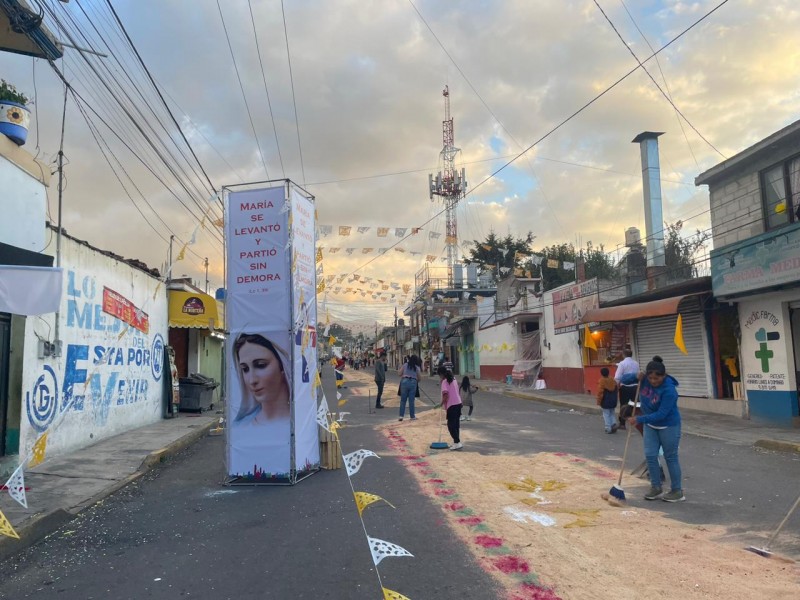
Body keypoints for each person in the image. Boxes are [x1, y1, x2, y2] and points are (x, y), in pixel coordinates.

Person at [230, 333, 292, 477]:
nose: (252, 380)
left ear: (282, 366)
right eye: (245, 369)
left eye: (260, 365)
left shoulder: (301, 423)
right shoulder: (240, 426)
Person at [627, 356, 684, 503]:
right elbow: (623, 380)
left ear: (664, 376)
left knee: (670, 457)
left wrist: (639, 419)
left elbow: (661, 414)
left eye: (657, 379)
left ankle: (677, 491)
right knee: (651, 456)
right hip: (650, 426)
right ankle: (655, 487)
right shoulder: (644, 379)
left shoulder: (669, 391)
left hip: (668, 425)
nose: (653, 381)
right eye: (650, 378)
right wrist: (636, 375)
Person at [614, 347, 639, 430]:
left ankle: (622, 423)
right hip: (635, 387)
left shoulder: (622, 364)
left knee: (624, 405)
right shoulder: (636, 363)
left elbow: (617, 377)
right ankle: (637, 422)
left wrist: (616, 386)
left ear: (624, 355)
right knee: (635, 404)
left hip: (625, 387)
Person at [438, 366, 463, 450]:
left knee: (450, 425)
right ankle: (457, 442)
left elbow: (445, 395)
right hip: (458, 403)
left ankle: (457, 442)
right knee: (456, 424)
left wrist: (440, 404)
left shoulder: (444, 382)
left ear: (441, 374)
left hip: (452, 405)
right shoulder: (454, 379)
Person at [398, 354, 421, 421]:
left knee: (403, 400)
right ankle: (412, 416)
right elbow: (419, 378)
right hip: (413, 382)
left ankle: (401, 416)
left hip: (404, 381)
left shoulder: (405, 365)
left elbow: (399, 373)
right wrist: (416, 381)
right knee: (411, 400)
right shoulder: (417, 367)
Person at [596, 367, 618, 433]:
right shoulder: (613, 380)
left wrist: (599, 401)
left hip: (605, 401)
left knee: (606, 414)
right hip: (613, 400)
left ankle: (608, 428)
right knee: (612, 413)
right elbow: (616, 390)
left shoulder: (602, 381)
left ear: (601, 374)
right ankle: (613, 424)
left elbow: (600, 393)